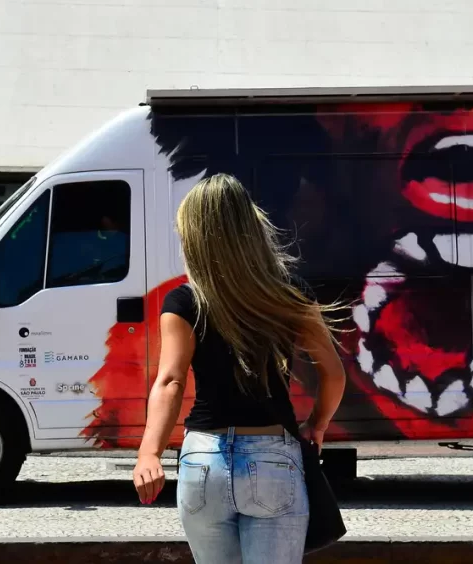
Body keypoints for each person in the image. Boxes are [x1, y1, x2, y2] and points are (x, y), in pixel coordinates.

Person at [132, 173, 347, 563]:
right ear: (251, 227)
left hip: (203, 461)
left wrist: (150, 453)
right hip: (272, 457)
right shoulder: (289, 293)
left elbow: (170, 381)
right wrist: (316, 424)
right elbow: (333, 374)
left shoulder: (183, 302)